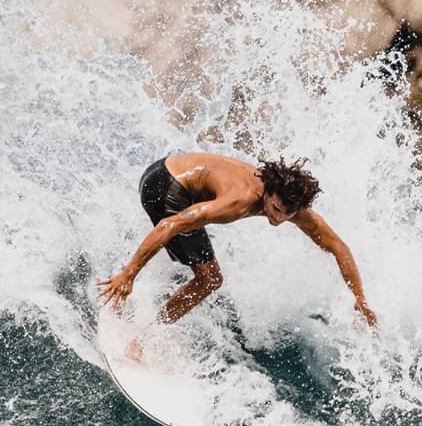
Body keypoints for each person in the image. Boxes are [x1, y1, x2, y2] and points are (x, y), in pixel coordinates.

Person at [96, 152, 377, 357]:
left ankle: (127, 301)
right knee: (209, 279)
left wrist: (360, 299)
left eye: (288, 213)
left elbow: (339, 248)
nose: (280, 219)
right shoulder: (240, 201)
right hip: (165, 189)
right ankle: (140, 340)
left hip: (163, 168)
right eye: (276, 209)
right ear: (269, 193)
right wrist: (129, 272)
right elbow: (171, 224)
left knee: (193, 254)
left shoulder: (293, 207)